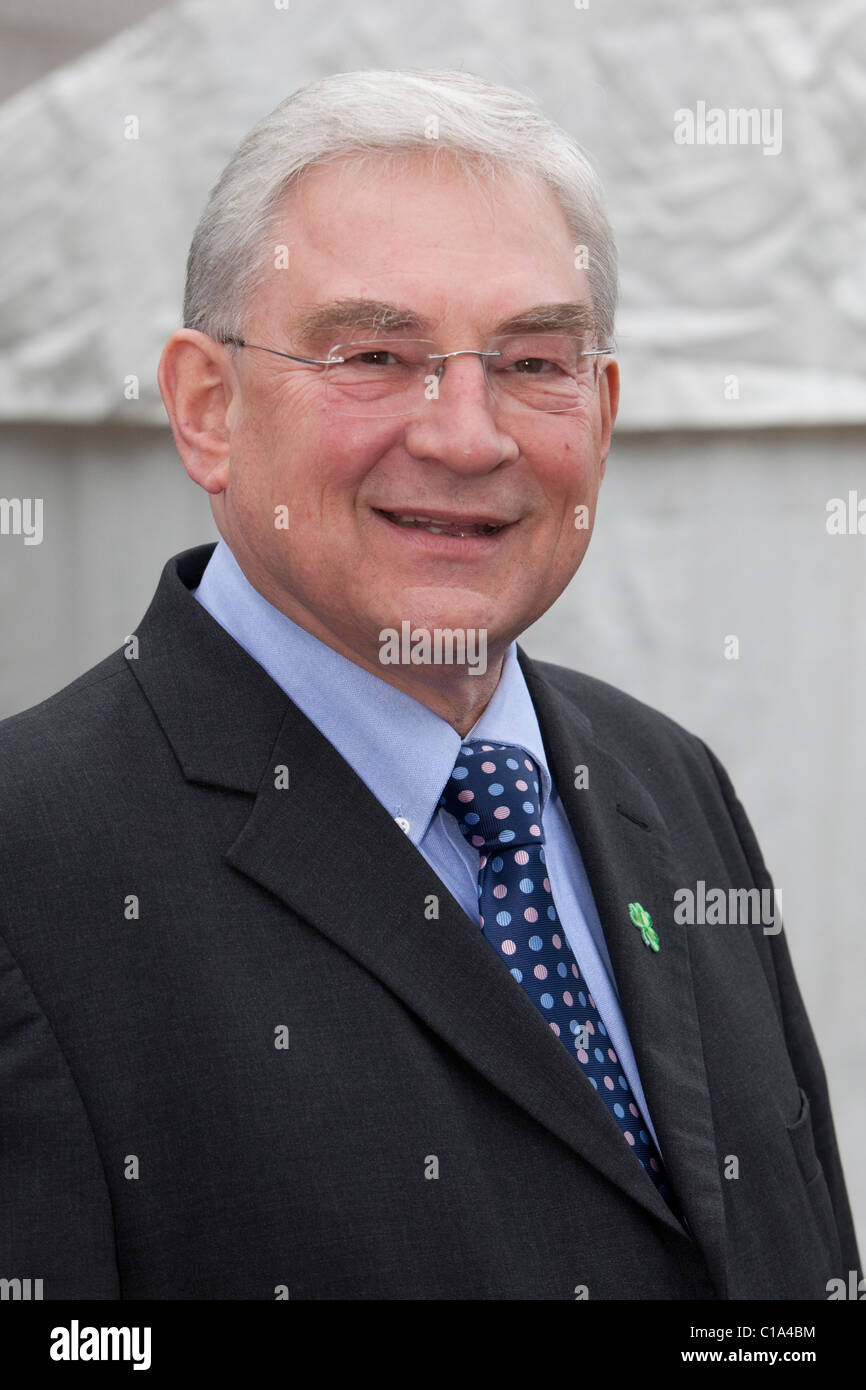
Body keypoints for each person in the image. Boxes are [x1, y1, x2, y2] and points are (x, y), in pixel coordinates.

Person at [0, 68, 858, 1300]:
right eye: (373, 352)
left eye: (531, 361)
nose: (467, 435)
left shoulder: (663, 782)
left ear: (601, 414)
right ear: (207, 408)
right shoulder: (32, 868)